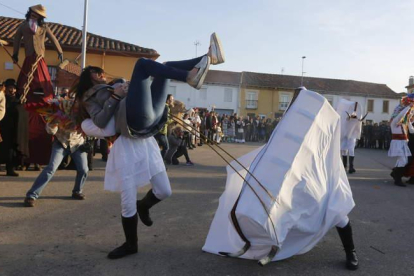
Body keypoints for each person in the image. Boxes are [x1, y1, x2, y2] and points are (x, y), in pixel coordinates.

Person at [76, 32, 224, 259]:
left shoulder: (109, 86)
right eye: (97, 72)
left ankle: (207, 58)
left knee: (164, 191)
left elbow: (127, 95)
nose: (102, 74)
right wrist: (116, 96)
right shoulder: (88, 97)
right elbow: (101, 123)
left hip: (148, 131)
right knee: (143, 64)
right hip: (130, 136)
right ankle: (130, 244)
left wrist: (123, 88)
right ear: (88, 77)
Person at [203, 88, 358, 270]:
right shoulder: (286, 130)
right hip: (296, 181)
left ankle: (351, 251)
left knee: (338, 211)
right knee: (277, 211)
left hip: (320, 176)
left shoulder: (321, 130)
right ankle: (261, 242)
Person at [13, 4, 62, 168]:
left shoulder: (44, 27)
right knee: (26, 85)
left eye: (38, 14)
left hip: (40, 59)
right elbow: (16, 40)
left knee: (41, 85)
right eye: (33, 12)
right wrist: (14, 54)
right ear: (30, 13)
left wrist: (60, 51)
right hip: (28, 58)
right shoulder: (22, 26)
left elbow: (54, 39)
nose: (35, 15)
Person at [23, 100, 89, 207]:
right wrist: (54, 124)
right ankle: (32, 195)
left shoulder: (85, 115)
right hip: (61, 142)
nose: (75, 109)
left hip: (77, 144)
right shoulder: (59, 114)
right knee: (51, 168)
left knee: (84, 169)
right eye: (73, 107)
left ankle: (77, 191)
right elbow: (50, 131)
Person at [0, 79, 26, 176]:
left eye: (14, 88)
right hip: (2, 127)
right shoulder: (2, 98)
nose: (12, 90)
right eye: (10, 88)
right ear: (5, 88)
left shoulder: (18, 100)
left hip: (13, 129)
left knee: (11, 150)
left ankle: (10, 169)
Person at [389, 96, 414, 187]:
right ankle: (397, 179)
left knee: (403, 160)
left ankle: (396, 175)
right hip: (397, 143)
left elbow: (412, 131)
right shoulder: (394, 122)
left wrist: (410, 118)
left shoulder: (404, 123)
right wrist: (408, 107)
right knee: (403, 160)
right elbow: (401, 115)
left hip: (403, 143)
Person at [336, 99, 364, 174]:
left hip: (350, 135)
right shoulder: (347, 118)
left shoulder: (355, 119)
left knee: (349, 150)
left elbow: (357, 121)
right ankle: (346, 166)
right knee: (345, 149)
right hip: (347, 135)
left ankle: (349, 166)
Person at [154, 94, 175, 159]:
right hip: (161, 131)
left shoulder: (162, 106)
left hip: (158, 130)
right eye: (171, 100)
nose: (172, 101)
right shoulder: (166, 107)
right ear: (167, 100)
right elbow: (165, 119)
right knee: (166, 147)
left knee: (157, 147)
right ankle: (160, 163)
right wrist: (172, 120)